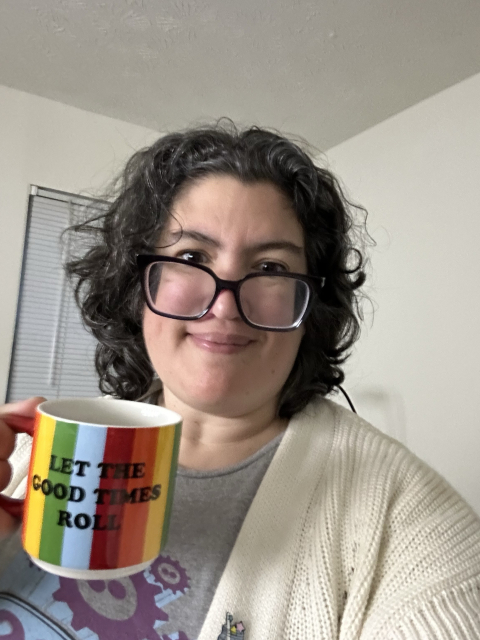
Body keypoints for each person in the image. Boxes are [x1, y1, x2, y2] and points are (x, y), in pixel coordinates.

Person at [0, 122, 479, 640]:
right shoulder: (34, 455)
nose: (225, 304)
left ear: (310, 304)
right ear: (139, 283)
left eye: (271, 266)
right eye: (191, 257)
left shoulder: (412, 522)